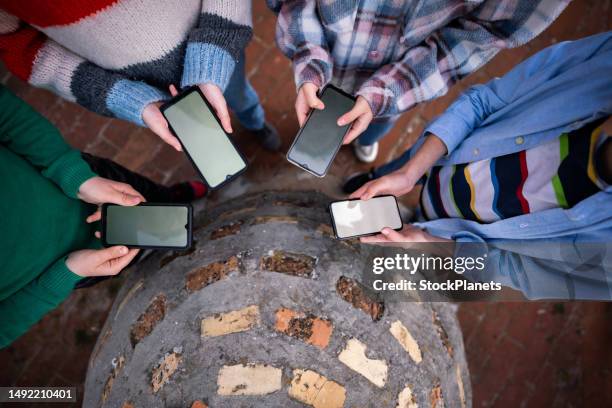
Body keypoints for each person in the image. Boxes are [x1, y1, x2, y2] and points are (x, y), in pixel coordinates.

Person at [349, 32, 612, 299]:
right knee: (386, 178)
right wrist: (410, 172)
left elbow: (510, 268)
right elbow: (483, 102)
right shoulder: (604, 57)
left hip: (447, 237)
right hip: (437, 156)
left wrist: (428, 242)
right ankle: (376, 175)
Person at [0, 86, 205, 347]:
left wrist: (76, 176)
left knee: (144, 194)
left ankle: (171, 197)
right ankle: (165, 218)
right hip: (71, 265)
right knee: (139, 248)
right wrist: (66, 274)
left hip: (82, 178)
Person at [267, 0, 569, 163]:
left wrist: (386, 94)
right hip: (330, 60)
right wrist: (310, 60)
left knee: (377, 127)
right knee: (328, 115)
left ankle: (367, 142)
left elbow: (476, 39)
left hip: (398, 85)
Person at [0, 0, 280, 152]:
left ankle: (255, 121)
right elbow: (25, 51)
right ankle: (219, 148)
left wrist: (213, 53)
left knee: (240, 94)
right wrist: (127, 98)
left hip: (214, 47)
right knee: (191, 129)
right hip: (135, 81)